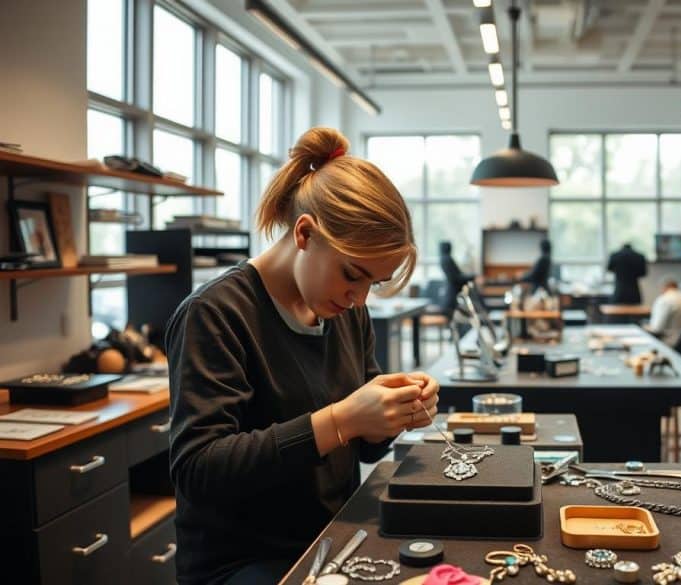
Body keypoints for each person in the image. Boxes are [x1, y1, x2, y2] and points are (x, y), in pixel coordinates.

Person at [165, 127, 440, 585]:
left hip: (333, 540)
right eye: (353, 274)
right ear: (306, 233)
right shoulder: (214, 314)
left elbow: (366, 442)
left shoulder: (345, 311)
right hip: (244, 561)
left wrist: (398, 408)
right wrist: (341, 420)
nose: (359, 298)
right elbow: (198, 469)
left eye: (373, 283)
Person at [644, 278, 681, 345]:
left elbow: (657, 328)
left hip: (667, 341)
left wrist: (643, 327)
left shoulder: (664, 300)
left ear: (664, 287)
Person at [440, 240, 475, 318]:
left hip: (452, 292)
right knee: (456, 316)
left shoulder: (444, 258)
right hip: (452, 293)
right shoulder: (447, 259)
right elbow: (456, 277)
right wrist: (473, 277)